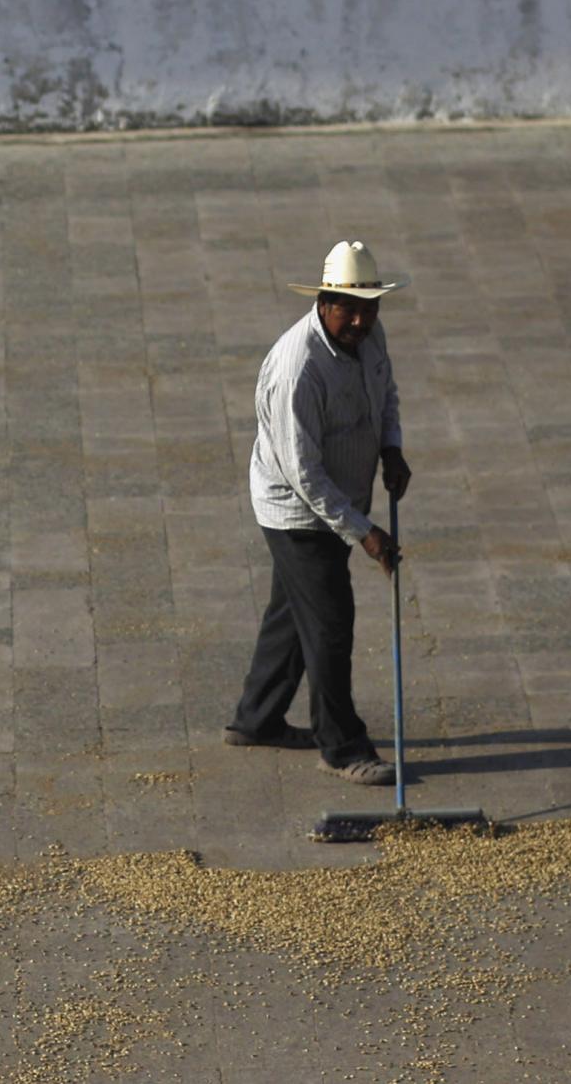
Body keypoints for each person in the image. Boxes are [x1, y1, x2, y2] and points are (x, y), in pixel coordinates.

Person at [227, 239, 413, 785]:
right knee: (330, 624)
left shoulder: (371, 336)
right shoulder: (298, 368)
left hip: (340, 501)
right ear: (324, 302)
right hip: (298, 514)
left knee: (292, 615)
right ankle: (343, 746)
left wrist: (391, 448)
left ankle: (255, 720)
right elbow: (303, 474)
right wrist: (365, 534)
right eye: (348, 308)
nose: (360, 320)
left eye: (369, 307)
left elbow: (387, 394)